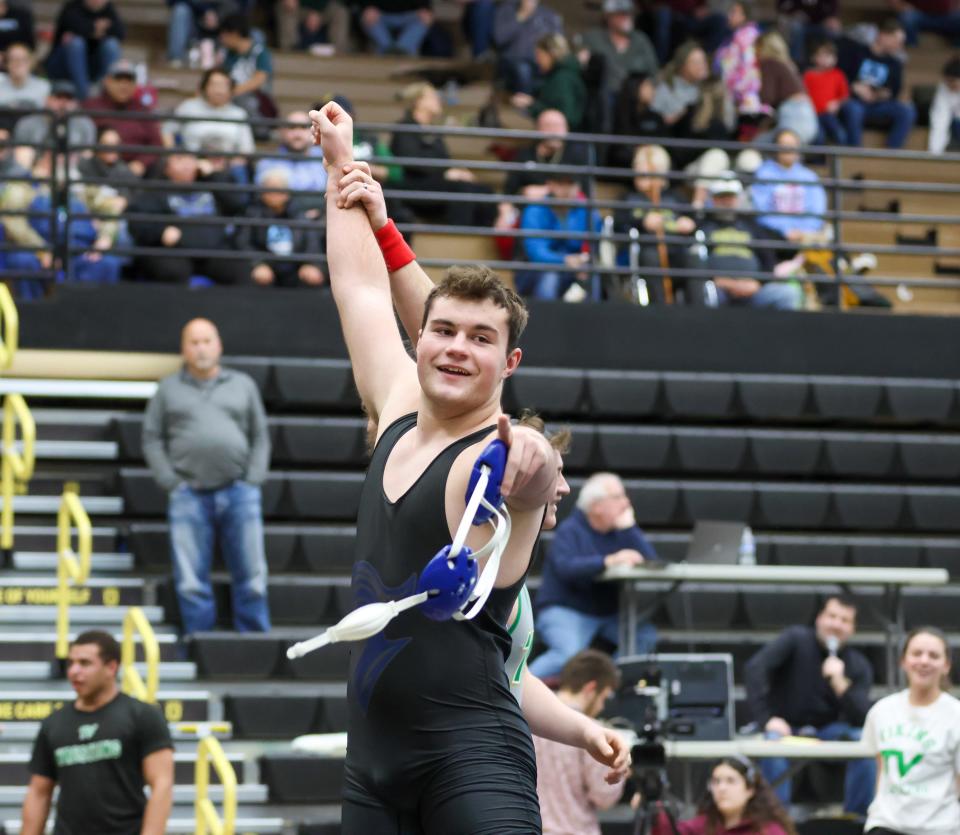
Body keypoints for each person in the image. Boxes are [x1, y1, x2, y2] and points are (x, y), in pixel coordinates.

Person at [335, 154, 633, 802]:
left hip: (466, 757)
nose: (559, 497)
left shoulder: (510, 550)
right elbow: (444, 338)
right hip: (382, 763)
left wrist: (580, 729)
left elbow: (508, 677)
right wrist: (366, 208)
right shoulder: (450, 433)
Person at [312, 98, 569, 832]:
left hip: (474, 759)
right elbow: (359, 289)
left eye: (480, 338)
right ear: (418, 337)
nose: (457, 346)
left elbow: (535, 466)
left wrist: (539, 457)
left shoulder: (497, 456)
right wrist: (341, 170)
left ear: (510, 362)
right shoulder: (394, 403)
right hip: (371, 772)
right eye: (444, 331)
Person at [142, 319, 271, 636]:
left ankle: (254, 642)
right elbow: (151, 438)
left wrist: (252, 479)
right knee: (189, 579)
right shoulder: (168, 389)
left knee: (253, 574)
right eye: (194, 342)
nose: (201, 348)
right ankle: (200, 643)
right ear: (184, 349)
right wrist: (171, 482)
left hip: (240, 491)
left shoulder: (242, 385)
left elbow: (260, 435)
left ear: (219, 345)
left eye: (206, 341)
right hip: (188, 495)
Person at [20, 630, 174, 835]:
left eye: (85, 663)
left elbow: (162, 784)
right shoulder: (54, 723)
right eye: (70, 663)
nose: (74, 671)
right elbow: (39, 792)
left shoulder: (143, 716)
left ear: (111, 667)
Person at [745, 595, 876, 814]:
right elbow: (755, 669)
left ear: (852, 629)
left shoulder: (858, 664)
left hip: (830, 731)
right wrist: (766, 719)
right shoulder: (795, 639)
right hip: (786, 728)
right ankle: (776, 823)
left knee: (862, 743)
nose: (836, 624)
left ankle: (856, 820)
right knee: (772, 743)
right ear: (819, 618)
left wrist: (840, 683)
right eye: (831, 616)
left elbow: (865, 717)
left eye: (844, 620)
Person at [529, 472, 659, 679]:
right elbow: (567, 568)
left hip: (606, 615)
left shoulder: (621, 532)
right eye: (618, 497)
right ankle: (517, 692)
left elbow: (651, 562)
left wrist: (630, 529)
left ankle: (610, 692)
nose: (626, 503)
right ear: (597, 506)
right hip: (566, 610)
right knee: (567, 654)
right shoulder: (570, 531)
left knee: (644, 637)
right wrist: (608, 561)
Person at [862, 626, 960, 835]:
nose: (924, 661)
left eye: (933, 655)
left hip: (940, 828)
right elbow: (880, 769)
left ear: (946, 665)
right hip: (886, 824)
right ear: (903, 661)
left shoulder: (956, 715)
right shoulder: (881, 711)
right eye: (916, 653)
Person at [0, 148, 124, 299]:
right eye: (63, 156)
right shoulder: (25, 186)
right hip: (38, 250)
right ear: (47, 155)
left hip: (79, 251)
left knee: (107, 263)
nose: (69, 160)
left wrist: (105, 238)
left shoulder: (80, 188)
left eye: (71, 156)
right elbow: (12, 220)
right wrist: (42, 249)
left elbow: (110, 209)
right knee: (22, 261)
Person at [534, 650, 625, 835]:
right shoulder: (592, 732)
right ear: (591, 689)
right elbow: (603, 798)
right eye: (603, 697)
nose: (602, 706)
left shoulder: (529, 720)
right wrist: (622, 772)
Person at [126, 151, 246, 284]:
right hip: (174, 253)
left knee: (240, 269)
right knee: (171, 270)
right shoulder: (156, 191)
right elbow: (137, 223)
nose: (187, 164)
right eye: (180, 159)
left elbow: (238, 203)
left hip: (214, 252)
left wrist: (214, 174)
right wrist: (160, 232)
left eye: (191, 159)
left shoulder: (210, 185)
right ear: (166, 167)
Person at [390, 82, 496, 227]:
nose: (438, 100)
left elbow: (445, 160)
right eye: (433, 96)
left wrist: (456, 172)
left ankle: (481, 234)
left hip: (437, 182)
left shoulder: (433, 131)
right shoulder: (404, 127)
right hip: (415, 184)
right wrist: (445, 173)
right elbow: (411, 161)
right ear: (419, 101)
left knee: (485, 190)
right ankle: (458, 234)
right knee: (461, 188)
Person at [614, 143, 701, 304]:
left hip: (676, 252)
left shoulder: (675, 198)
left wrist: (689, 225)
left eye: (651, 173)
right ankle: (660, 308)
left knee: (694, 261)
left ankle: (699, 312)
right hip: (645, 253)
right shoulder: (629, 198)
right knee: (650, 257)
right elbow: (619, 227)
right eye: (642, 173)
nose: (646, 178)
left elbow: (696, 222)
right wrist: (642, 223)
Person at [700, 174, 803, 310]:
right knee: (706, 293)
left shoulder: (752, 226)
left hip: (754, 291)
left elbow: (768, 259)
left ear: (738, 198)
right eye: (721, 196)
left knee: (788, 293)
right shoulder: (703, 226)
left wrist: (757, 283)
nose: (727, 201)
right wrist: (717, 281)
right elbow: (694, 259)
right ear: (713, 199)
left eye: (730, 196)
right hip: (718, 289)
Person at [650, 755, 797, 835]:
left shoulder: (769, 831)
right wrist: (654, 804)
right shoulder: (703, 825)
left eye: (730, 781)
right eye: (716, 782)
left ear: (750, 789)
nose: (721, 788)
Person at [516, 172, 602, 301]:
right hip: (535, 272)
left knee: (592, 276)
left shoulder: (588, 211)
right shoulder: (534, 210)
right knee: (551, 274)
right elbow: (536, 253)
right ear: (550, 185)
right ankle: (546, 319)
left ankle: (592, 318)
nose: (567, 190)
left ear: (578, 187)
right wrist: (565, 260)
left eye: (571, 184)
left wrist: (585, 262)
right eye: (561, 184)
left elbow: (595, 244)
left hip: (576, 268)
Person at [236, 168, 326, 288]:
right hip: (266, 266)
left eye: (279, 189)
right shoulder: (253, 214)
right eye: (270, 189)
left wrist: (311, 264)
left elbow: (312, 243)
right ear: (262, 193)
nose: (275, 193)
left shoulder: (298, 214)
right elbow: (243, 242)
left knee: (314, 278)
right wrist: (258, 264)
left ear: (287, 193)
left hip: (295, 268)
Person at [838, 19, 916, 149]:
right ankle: (855, 151)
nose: (899, 45)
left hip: (879, 105)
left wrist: (883, 94)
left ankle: (892, 152)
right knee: (853, 109)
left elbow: (895, 91)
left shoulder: (895, 63)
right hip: (854, 101)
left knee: (907, 111)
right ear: (883, 35)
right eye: (897, 41)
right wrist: (854, 87)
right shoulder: (856, 52)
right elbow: (840, 77)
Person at [82, 58, 165, 177]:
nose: (124, 85)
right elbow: (81, 138)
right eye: (118, 79)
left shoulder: (143, 110)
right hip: (100, 167)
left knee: (161, 163)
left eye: (129, 80)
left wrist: (142, 163)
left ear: (135, 85)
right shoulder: (91, 106)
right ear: (107, 81)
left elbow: (156, 143)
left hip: (136, 170)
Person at [751, 128, 828, 242]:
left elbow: (818, 209)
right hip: (774, 233)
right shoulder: (764, 174)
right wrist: (785, 230)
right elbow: (761, 210)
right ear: (776, 148)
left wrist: (805, 231)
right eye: (784, 145)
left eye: (792, 145)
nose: (789, 149)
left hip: (807, 234)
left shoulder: (809, 176)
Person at [580, 0, 659, 105]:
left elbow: (654, 71)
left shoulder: (641, 40)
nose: (626, 18)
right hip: (602, 99)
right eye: (621, 14)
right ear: (608, 17)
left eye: (628, 14)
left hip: (634, 100)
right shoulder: (593, 39)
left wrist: (648, 85)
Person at [165, 67, 254, 159]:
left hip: (228, 165)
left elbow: (246, 148)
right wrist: (175, 158)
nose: (219, 90)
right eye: (214, 85)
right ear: (205, 87)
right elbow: (167, 131)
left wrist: (235, 162)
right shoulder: (189, 107)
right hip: (192, 163)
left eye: (224, 85)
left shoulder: (239, 114)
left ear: (231, 89)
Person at [46, 0, 124, 100]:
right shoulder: (72, 7)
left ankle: (105, 92)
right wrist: (96, 28)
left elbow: (120, 33)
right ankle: (84, 95)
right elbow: (74, 26)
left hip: (93, 66)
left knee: (111, 44)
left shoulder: (109, 9)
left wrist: (89, 29)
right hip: (64, 66)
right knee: (76, 43)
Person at [254, 110, 327, 217]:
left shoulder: (325, 159)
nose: (297, 134)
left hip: (320, 221)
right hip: (284, 221)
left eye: (303, 128)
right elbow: (268, 200)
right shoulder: (267, 163)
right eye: (292, 128)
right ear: (282, 132)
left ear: (313, 131)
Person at [511, 33, 587, 130]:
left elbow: (565, 116)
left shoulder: (562, 79)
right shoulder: (557, 75)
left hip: (563, 139)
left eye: (539, 54)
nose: (537, 60)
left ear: (551, 54)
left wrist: (531, 104)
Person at [756, 31, 818, 144]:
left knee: (760, 145)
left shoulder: (768, 62)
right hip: (807, 114)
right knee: (783, 154)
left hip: (792, 114)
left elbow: (767, 97)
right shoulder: (787, 63)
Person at [219, 13, 275, 131]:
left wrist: (231, 92)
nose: (221, 39)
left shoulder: (260, 52)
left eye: (224, 34)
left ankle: (261, 131)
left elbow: (259, 80)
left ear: (234, 34)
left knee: (243, 100)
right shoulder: (228, 54)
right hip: (232, 97)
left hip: (256, 101)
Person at [492, 0, 562, 94]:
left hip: (541, 62)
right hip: (513, 61)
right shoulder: (507, 10)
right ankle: (526, 105)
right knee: (523, 70)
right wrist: (521, 16)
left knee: (560, 72)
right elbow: (499, 39)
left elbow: (558, 42)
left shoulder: (548, 14)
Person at [715, 0, 765, 126]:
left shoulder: (748, 36)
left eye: (734, 12)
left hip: (743, 98)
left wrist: (739, 93)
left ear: (745, 16)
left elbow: (750, 69)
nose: (729, 16)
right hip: (736, 95)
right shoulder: (737, 36)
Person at [13, 81, 97, 151]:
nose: (63, 103)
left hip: (74, 167)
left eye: (69, 98)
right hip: (35, 168)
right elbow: (19, 155)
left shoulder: (85, 124)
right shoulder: (27, 123)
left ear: (75, 103)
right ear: (47, 99)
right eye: (59, 97)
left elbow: (87, 155)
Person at [803, 39, 850, 144]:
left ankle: (840, 159)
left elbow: (845, 96)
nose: (825, 59)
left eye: (828, 56)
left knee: (840, 134)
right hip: (812, 115)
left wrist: (837, 104)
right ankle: (817, 161)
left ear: (835, 59)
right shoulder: (808, 75)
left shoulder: (838, 75)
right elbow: (802, 93)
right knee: (818, 137)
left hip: (828, 115)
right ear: (813, 57)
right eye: (821, 56)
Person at [776, 0, 840, 67]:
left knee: (833, 31)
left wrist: (832, 17)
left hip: (821, 23)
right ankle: (797, 63)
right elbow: (782, 7)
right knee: (796, 27)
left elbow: (833, 8)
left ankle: (832, 61)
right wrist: (792, 13)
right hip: (799, 23)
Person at [274, 0, 350, 54]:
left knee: (341, 12)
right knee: (286, 7)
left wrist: (317, 11)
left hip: (324, 9)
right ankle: (289, 50)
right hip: (299, 7)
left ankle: (338, 51)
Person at [359, 0, 433, 55]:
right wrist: (368, 6)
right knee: (368, 16)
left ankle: (402, 49)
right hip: (381, 14)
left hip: (409, 15)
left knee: (426, 17)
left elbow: (426, 6)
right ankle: (388, 50)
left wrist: (425, 9)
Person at [167, 0, 222, 67]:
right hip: (192, 13)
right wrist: (206, 10)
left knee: (230, 8)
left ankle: (223, 55)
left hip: (218, 10)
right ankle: (176, 59)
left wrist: (211, 12)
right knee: (181, 10)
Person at [0, 42, 49, 112]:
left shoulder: (43, 87)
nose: (18, 63)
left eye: (23, 59)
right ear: (7, 63)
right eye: (13, 59)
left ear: (31, 62)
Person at [893, 0, 960, 48]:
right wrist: (902, 6)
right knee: (908, 17)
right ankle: (911, 47)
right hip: (919, 14)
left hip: (946, 16)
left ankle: (956, 47)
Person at [928, 56, 960, 154]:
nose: (949, 85)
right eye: (947, 81)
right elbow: (939, 122)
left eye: (952, 81)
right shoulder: (943, 90)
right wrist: (935, 153)